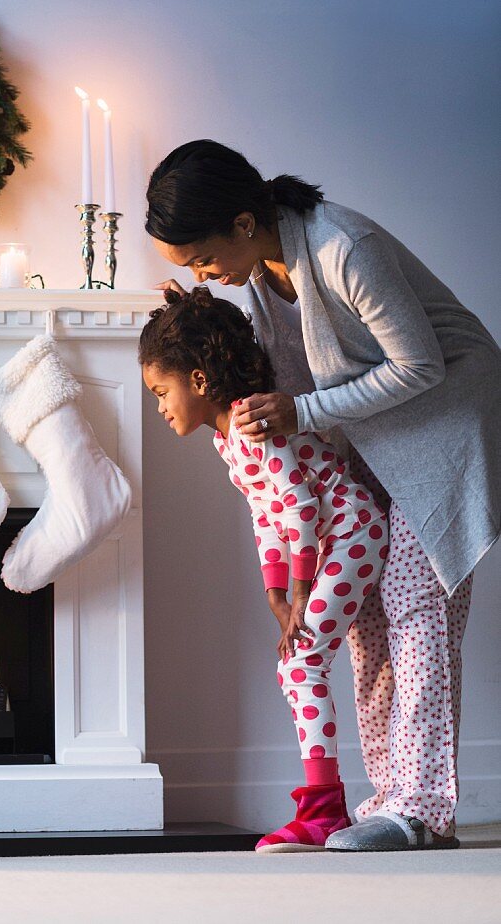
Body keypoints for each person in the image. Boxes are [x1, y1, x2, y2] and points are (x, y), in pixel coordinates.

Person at [146, 139, 500, 851]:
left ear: (245, 222)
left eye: (200, 258)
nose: (204, 273)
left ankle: (424, 810)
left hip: (443, 426)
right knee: (368, 624)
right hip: (368, 437)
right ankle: (386, 802)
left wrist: (303, 416)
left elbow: (420, 366)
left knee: (416, 613)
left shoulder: (344, 247)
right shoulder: (258, 274)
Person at [140, 288, 390, 852]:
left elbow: (301, 508)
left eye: (161, 392)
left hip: (353, 532)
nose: (158, 406)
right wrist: (276, 593)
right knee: (300, 665)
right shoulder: (228, 442)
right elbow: (266, 515)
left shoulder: (254, 425)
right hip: (327, 546)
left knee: (301, 661)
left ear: (199, 381)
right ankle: (326, 805)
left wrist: (300, 591)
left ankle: (324, 811)